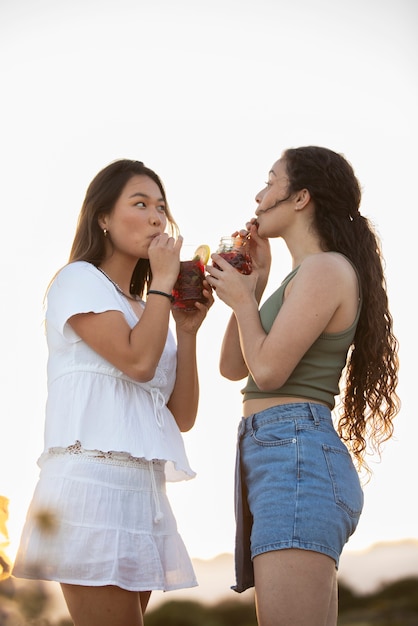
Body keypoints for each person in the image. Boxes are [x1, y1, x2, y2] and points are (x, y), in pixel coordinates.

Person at [12, 159, 213, 626]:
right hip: (89, 486)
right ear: (103, 217)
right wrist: (165, 283)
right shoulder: (77, 280)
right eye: (140, 204)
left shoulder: (150, 310)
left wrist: (187, 332)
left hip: (142, 492)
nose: (156, 218)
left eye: (161, 207)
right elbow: (138, 363)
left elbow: (181, 415)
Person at [206, 146, 400, 626]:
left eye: (270, 181)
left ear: (300, 198)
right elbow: (235, 367)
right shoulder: (300, 276)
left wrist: (247, 304)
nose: (258, 194)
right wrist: (256, 284)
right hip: (279, 454)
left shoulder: (326, 270)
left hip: (294, 452)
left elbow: (268, 373)